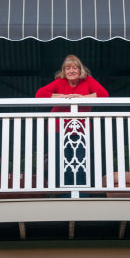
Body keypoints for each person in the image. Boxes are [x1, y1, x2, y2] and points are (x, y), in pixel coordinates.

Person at [35, 54, 109, 190]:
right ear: (64, 71)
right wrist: (64, 97)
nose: (71, 71)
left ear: (81, 70)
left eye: (75, 68)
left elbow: (104, 94)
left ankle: (80, 192)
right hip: (58, 127)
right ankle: (62, 193)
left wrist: (81, 97)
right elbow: (40, 94)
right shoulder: (59, 82)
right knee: (60, 161)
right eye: (67, 68)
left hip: (80, 127)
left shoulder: (87, 81)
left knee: (80, 160)